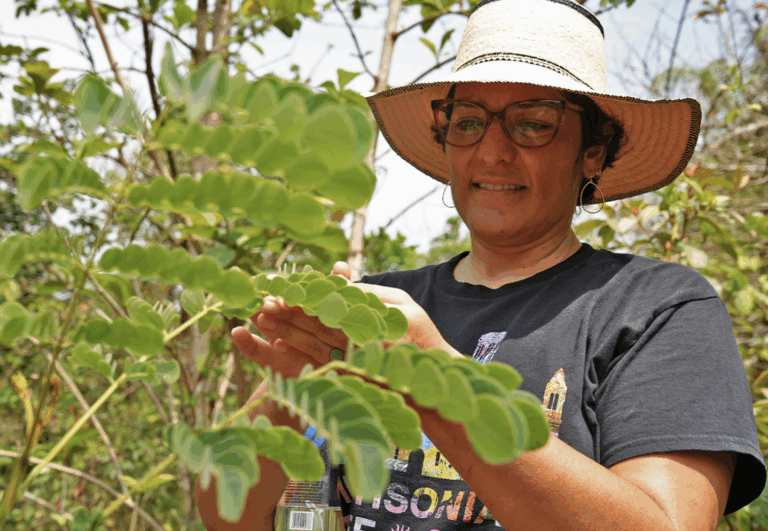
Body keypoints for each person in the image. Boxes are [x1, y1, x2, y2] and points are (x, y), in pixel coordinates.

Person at [196, 0, 766, 529]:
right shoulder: (374, 304)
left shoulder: (653, 307)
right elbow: (225, 512)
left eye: (534, 121)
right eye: (468, 120)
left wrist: (436, 381)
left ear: (593, 149)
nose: (492, 150)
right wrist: (294, 384)